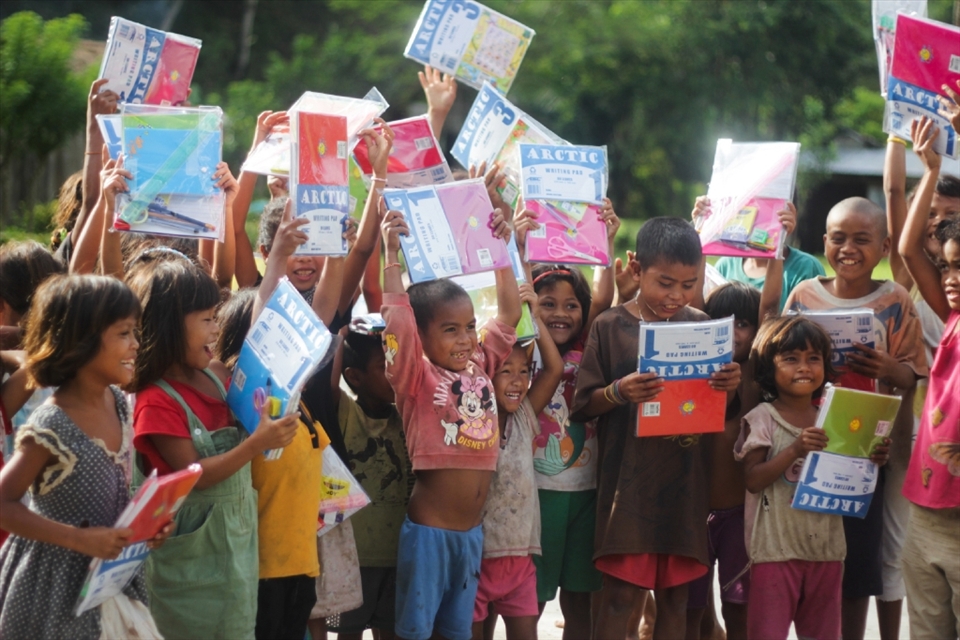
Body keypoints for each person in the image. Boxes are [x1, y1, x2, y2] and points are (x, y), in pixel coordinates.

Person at [572, 217, 741, 640]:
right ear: (635, 269)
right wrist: (619, 391)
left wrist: (728, 385)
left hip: (685, 484)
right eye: (665, 283)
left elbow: (720, 410)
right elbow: (583, 404)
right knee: (619, 599)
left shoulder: (702, 325)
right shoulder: (611, 326)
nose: (676, 296)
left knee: (677, 602)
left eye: (688, 284)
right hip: (628, 488)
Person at [128, 258, 300, 640]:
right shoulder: (156, 400)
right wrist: (257, 443)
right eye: (207, 320)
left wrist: (277, 261)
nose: (217, 329)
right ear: (171, 328)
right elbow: (196, 477)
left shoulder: (216, 374)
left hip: (236, 555)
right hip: (188, 571)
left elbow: (258, 338)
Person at [784, 196, 927, 640]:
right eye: (839, 238)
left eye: (861, 240)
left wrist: (887, 369)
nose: (848, 248)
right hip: (808, 442)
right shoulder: (805, 295)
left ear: (884, 247)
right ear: (824, 241)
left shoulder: (896, 300)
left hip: (866, 449)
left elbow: (914, 373)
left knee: (858, 563)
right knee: (809, 553)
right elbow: (779, 359)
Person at [0, 274, 170, 639]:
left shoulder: (120, 406)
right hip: (53, 592)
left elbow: (115, 498)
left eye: (135, 332)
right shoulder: (52, 425)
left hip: (110, 582)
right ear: (82, 341)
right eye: (124, 333)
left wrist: (145, 529)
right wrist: (78, 539)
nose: (136, 344)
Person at [379, 205, 521, 640]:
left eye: (469, 327)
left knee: (455, 633)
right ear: (421, 337)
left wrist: (502, 247)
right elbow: (398, 321)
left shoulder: (479, 364)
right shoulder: (414, 376)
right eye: (450, 330)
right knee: (416, 632)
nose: (465, 339)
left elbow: (510, 315)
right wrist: (390, 253)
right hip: (430, 535)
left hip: (470, 537)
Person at [735, 315, 890, 639]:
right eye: (791, 359)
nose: (804, 367)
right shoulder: (762, 419)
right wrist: (794, 450)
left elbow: (854, 478)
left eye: (813, 358)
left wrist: (873, 458)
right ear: (768, 367)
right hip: (774, 553)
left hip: (827, 552)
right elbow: (752, 480)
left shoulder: (836, 418)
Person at [513, 198, 620, 640]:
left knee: (581, 599)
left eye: (570, 304)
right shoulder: (526, 350)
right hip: (537, 493)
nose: (560, 312)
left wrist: (605, 244)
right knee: (531, 600)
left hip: (587, 492)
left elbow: (603, 297)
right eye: (548, 303)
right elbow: (517, 304)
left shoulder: (590, 346)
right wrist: (518, 250)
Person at [880, 116, 959, 639]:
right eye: (950, 268)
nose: (952, 280)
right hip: (926, 510)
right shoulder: (952, 318)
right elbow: (909, 251)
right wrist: (930, 168)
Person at [474, 284, 564, 640]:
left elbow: (554, 369)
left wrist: (536, 318)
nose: (517, 381)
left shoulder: (526, 417)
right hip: (477, 559)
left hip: (521, 561)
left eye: (524, 371)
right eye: (505, 371)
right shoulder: (473, 418)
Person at [326, 324, 411, 640]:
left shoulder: (404, 413)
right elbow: (330, 385)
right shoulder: (347, 413)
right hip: (355, 556)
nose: (393, 371)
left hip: (398, 552)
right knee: (350, 633)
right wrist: (340, 338)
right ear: (355, 377)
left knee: (390, 630)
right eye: (382, 365)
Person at [692, 196, 825, 310]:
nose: (756, 217)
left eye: (767, 210)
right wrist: (701, 231)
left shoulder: (807, 268)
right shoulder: (725, 267)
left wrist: (776, 243)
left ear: (791, 213)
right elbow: (701, 319)